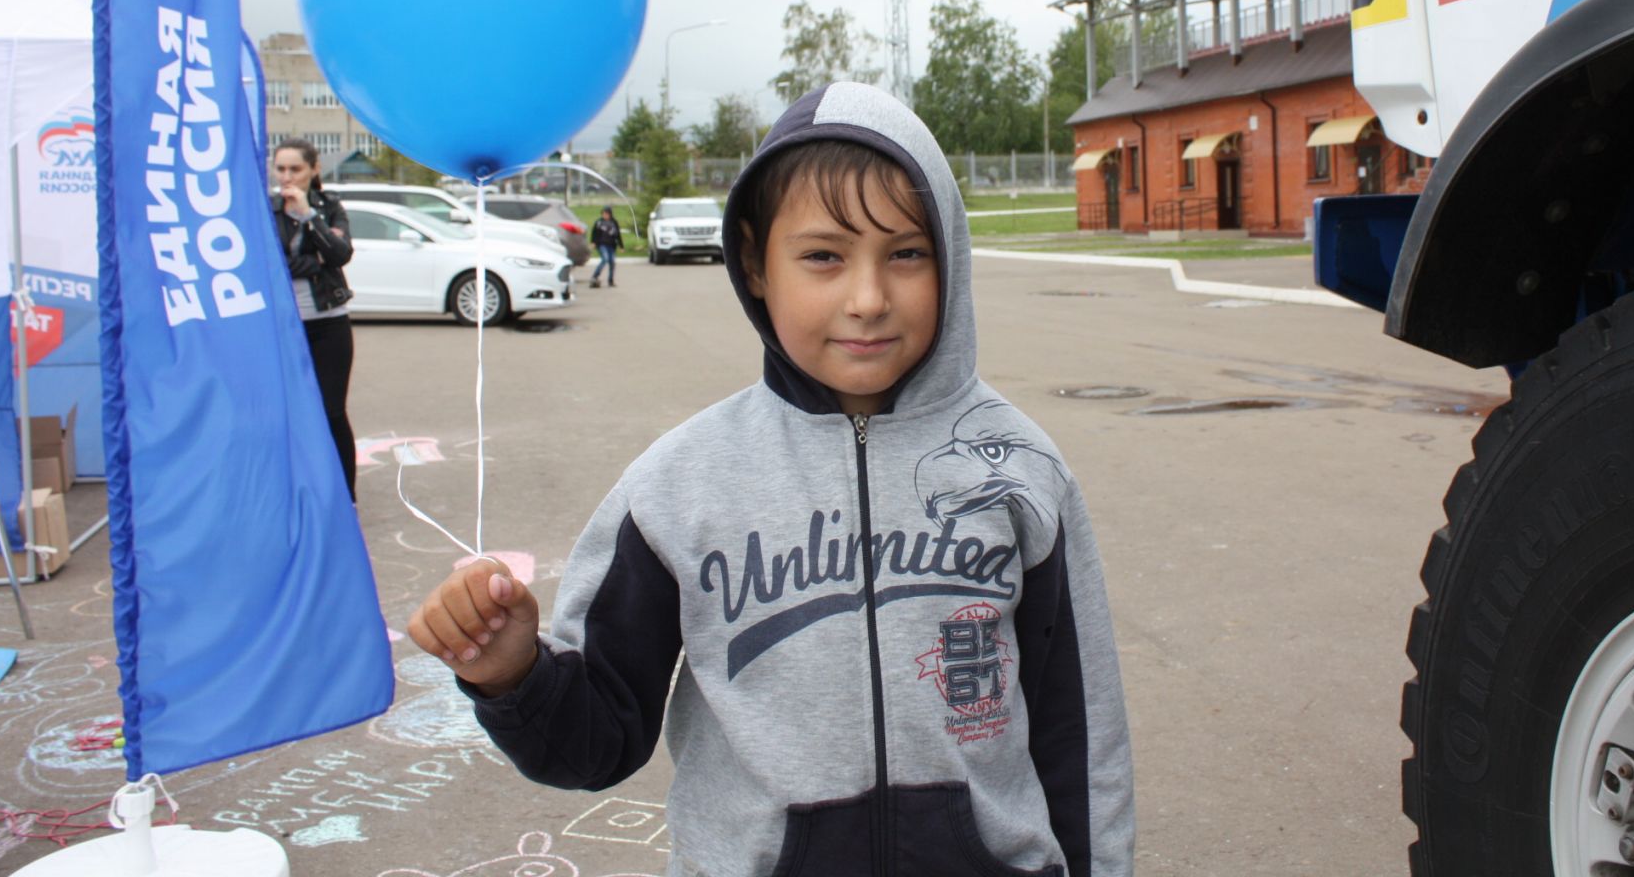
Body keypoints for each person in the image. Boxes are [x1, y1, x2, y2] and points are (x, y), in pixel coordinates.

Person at [407, 83, 1135, 875]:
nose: (868, 299)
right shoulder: (677, 489)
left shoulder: (1018, 469)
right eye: (823, 255)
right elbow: (596, 744)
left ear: (950, 257)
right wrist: (513, 673)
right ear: (755, 264)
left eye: (907, 253)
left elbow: (1079, 731)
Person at [272, 138, 358, 501]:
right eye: (281, 169)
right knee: (285, 412)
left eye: (296, 169)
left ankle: (344, 495)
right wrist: (313, 263)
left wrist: (309, 215)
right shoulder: (266, 208)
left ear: (313, 169)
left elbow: (339, 254)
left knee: (331, 411)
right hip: (281, 326)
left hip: (328, 323)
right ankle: (296, 491)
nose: (288, 176)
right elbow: (267, 261)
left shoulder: (328, 207)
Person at [589, 206, 623, 287]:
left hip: (611, 245)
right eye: (603, 214)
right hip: (602, 244)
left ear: (610, 214)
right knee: (605, 259)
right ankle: (595, 275)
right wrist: (593, 242)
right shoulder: (599, 222)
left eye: (606, 214)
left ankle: (610, 280)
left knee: (612, 263)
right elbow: (594, 233)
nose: (605, 215)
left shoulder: (614, 222)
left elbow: (618, 235)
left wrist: (621, 246)